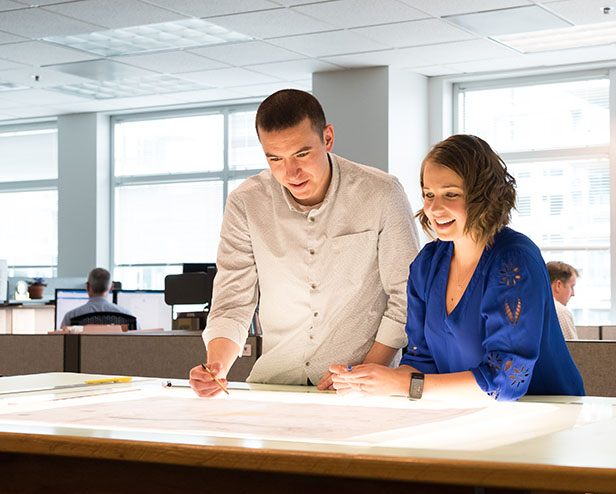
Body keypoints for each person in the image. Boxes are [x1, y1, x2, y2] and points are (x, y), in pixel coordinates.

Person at [189, 89, 419, 397]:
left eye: (301, 154)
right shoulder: (246, 203)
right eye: (275, 159)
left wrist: (361, 375)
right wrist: (215, 367)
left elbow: (406, 297)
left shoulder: (381, 193)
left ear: (327, 138)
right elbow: (233, 303)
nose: (290, 173)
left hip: (366, 390)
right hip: (275, 386)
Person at [329, 134, 584, 401]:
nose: (434, 208)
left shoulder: (514, 259)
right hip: (471, 417)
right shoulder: (427, 264)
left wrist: (402, 385)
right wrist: (364, 380)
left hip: (547, 416)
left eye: (450, 194)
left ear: (482, 196)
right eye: (429, 194)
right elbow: (421, 363)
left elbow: (504, 382)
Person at [60, 268, 133, 328]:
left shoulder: (71, 316)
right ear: (111, 287)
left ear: (87, 286)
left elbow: (61, 343)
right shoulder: (128, 317)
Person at [547, 261, 579, 340]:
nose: (573, 294)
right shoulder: (560, 311)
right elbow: (574, 349)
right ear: (558, 285)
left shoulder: (532, 306)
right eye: (571, 287)